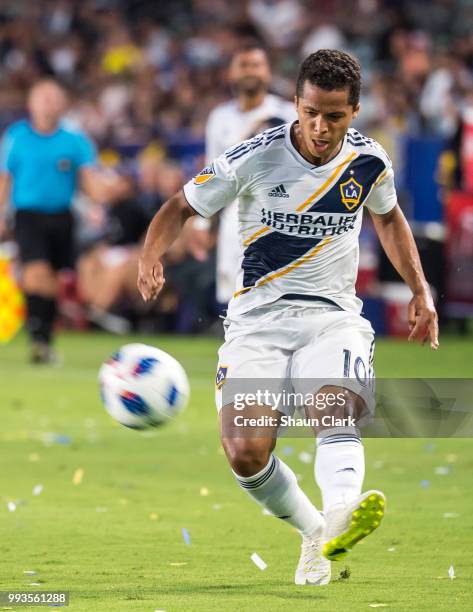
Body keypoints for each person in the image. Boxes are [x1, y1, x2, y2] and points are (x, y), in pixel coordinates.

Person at [137, 50, 439, 586]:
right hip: (256, 322)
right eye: (311, 113)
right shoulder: (254, 156)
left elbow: (389, 218)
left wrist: (421, 289)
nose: (321, 128)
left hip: (332, 317)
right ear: (296, 104)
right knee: (246, 453)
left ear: (355, 111)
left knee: (332, 408)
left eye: (335, 116)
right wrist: (149, 256)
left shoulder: (370, 162)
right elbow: (180, 206)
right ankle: (315, 531)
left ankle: (344, 512)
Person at [0, 79, 122, 363]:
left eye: (53, 97)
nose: (48, 103)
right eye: (42, 97)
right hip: (28, 214)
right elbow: (5, 178)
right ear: (31, 103)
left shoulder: (74, 140)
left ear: (62, 103)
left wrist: (102, 197)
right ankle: (38, 335)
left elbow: (88, 181)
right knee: (35, 272)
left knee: (53, 279)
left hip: (61, 216)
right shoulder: (16, 137)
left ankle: (45, 338)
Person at [205, 42, 296, 305]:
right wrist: (201, 223)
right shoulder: (219, 117)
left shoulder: (287, 114)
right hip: (233, 213)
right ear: (231, 73)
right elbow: (211, 171)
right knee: (232, 293)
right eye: (243, 65)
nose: (250, 72)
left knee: (275, 291)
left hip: (277, 211)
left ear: (267, 71)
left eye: (256, 65)